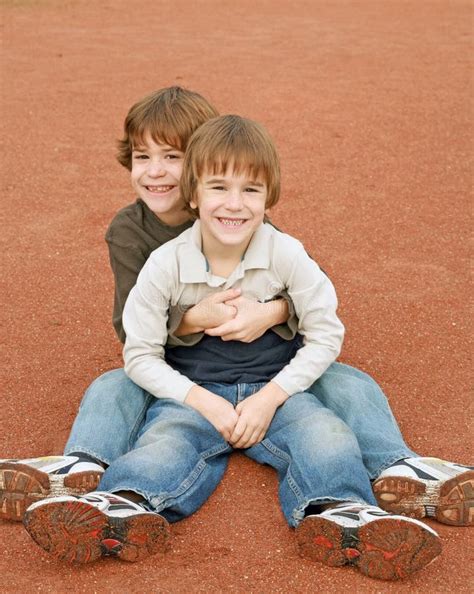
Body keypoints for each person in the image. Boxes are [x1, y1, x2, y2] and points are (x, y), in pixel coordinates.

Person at [1, 87, 471, 530]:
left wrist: (271, 314)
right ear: (197, 187)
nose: (157, 171)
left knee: (346, 388)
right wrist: (194, 320)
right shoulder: (141, 239)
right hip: (185, 373)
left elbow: (313, 302)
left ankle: (384, 482)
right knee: (124, 394)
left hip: (272, 371)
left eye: (172, 157)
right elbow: (135, 338)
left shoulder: (255, 223)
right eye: (144, 157)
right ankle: (95, 479)